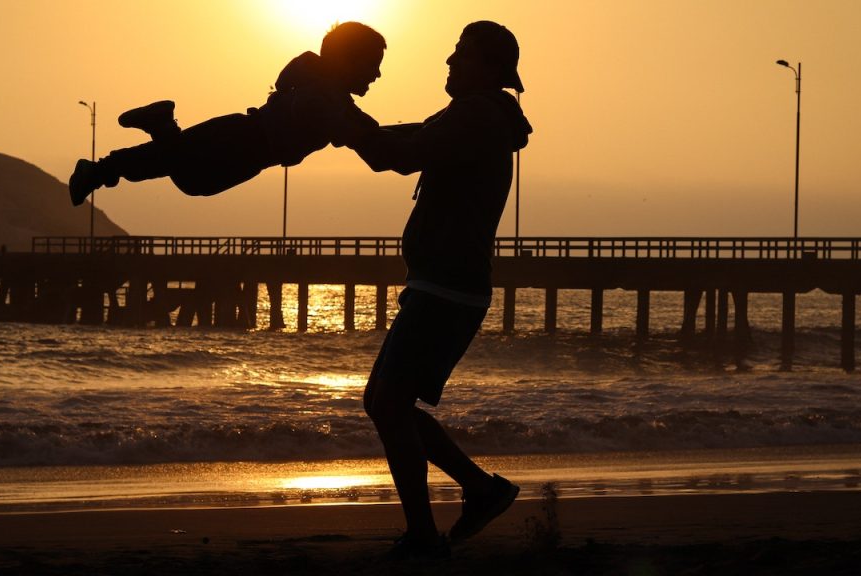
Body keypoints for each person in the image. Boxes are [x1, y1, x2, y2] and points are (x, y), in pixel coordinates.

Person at [350, 21, 532, 559]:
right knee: (383, 402)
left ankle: (427, 536)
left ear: (491, 68)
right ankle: (480, 490)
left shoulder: (477, 115)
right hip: (443, 284)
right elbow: (406, 136)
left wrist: (340, 119)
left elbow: (399, 155)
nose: (449, 63)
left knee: (388, 403)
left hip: (448, 288)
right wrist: (350, 126)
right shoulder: (471, 116)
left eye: (461, 55)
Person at [68, 21, 385, 206]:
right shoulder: (325, 98)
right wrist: (422, 138)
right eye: (372, 65)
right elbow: (369, 133)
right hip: (242, 144)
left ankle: (147, 136)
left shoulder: (321, 89)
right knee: (185, 171)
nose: (377, 75)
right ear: (347, 63)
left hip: (241, 136)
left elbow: (367, 129)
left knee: (179, 165)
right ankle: (114, 159)